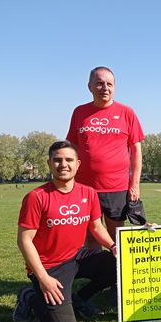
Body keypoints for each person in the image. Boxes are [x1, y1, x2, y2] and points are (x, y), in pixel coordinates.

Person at [13, 141, 117, 322]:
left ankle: (79, 298)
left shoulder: (88, 193)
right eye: (57, 160)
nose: (63, 165)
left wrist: (113, 246)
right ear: (49, 163)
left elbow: (96, 227)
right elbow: (24, 240)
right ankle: (29, 296)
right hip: (50, 265)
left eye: (69, 160)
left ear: (78, 164)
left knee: (119, 262)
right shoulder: (36, 197)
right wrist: (43, 277)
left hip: (77, 256)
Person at [67, 66, 145, 247]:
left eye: (109, 84)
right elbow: (71, 149)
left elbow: (136, 151)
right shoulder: (79, 112)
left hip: (116, 187)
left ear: (115, 87)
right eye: (99, 83)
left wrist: (134, 184)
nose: (105, 88)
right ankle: (96, 274)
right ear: (89, 86)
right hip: (84, 187)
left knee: (117, 236)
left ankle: (117, 274)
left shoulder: (127, 112)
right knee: (90, 235)